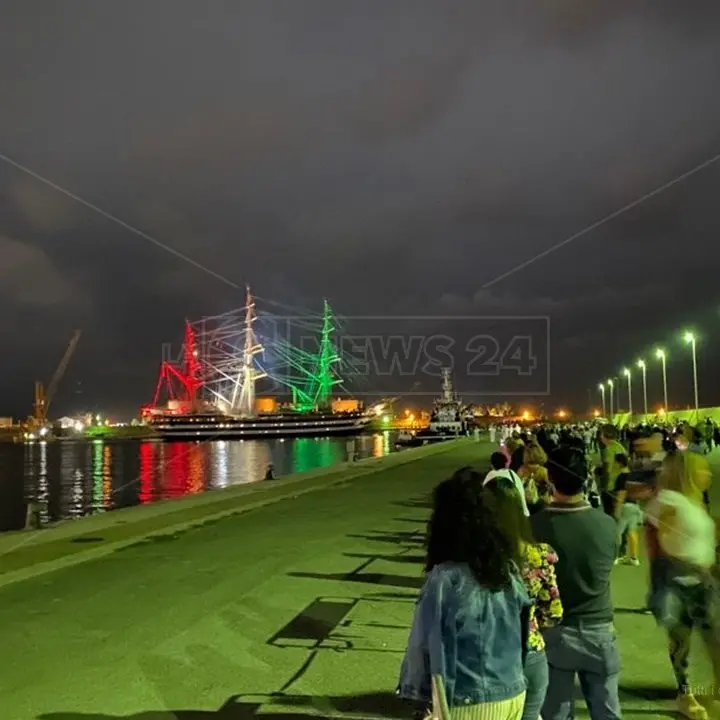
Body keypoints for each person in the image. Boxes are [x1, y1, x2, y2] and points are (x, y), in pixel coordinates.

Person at [398, 468, 530, 719]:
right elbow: (522, 630)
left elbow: (422, 644)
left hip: (469, 698)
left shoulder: (445, 579)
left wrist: (417, 693)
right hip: (513, 691)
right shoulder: (507, 570)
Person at [531, 446, 620, 720]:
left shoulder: (534, 526)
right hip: (599, 628)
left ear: (550, 480)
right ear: (587, 479)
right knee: (607, 711)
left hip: (555, 633)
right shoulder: (607, 524)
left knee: (555, 712)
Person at [645, 449, 718, 720]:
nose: (707, 474)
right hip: (679, 580)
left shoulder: (694, 501)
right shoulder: (668, 500)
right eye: (702, 470)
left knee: (715, 636)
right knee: (681, 642)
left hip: (704, 577)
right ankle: (684, 694)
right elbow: (657, 538)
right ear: (686, 474)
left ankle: (714, 689)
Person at [485, 478, 563, 720]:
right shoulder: (540, 555)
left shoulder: (478, 561)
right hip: (530, 652)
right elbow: (553, 613)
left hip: (489, 655)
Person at [614, 453, 643, 566]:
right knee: (632, 532)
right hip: (634, 506)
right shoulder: (633, 475)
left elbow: (621, 494)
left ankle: (616, 556)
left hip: (625, 507)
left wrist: (617, 509)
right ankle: (634, 558)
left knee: (618, 533)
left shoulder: (622, 476)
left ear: (619, 463)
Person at [485, 452, 530, 517]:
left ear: (492, 465)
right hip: (523, 515)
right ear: (505, 463)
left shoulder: (492, 476)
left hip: (509, 518)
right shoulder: (513, 474)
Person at [599, 425, 626, 516]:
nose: (600, 436)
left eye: (601, 434)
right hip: (620, 484)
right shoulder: (619, 446)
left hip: (610, 486)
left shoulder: (609, 450)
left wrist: (603, 487)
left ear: (605, 435)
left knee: (609, 512)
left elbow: (607, 470)